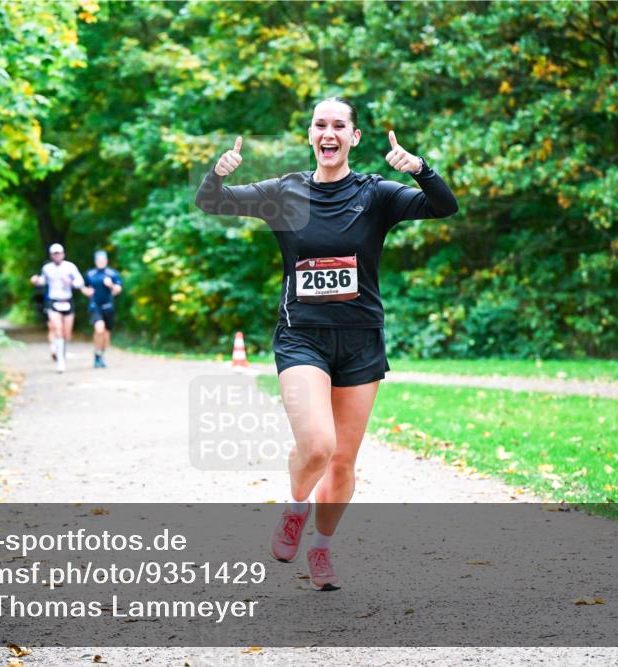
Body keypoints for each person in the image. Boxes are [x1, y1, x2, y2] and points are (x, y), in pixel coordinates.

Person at [194, 98, 458, 591]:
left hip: (360, 340)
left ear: (354, 138)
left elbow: (444, 206)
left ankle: (321, 548)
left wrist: (420, 169)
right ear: (311, 135)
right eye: (321, 125)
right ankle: (296, 509)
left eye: (340, 125)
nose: (329, 132)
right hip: (302, 338)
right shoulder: (284, 191)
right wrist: (217, 173)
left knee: (342, 462)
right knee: (318, 445)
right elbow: (213, 202)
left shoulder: (375, 193)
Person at [30, 243, 85, 373]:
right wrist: (36, 280)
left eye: (59, 253)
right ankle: (60, 361)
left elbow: (80, 282)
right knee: (57, 329)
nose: (57, 256)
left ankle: (62, 352)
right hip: (53, 301)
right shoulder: (47, 268)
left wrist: (70, 282)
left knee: (67, 333)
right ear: (51, 255)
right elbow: (43, 281)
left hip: (67, 301)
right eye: (55, 254)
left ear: (63, 254)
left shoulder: (70, 267)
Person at [81, 250, 123, 368]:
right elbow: (83, 287)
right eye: (99, 260)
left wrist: (111, 285)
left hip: (108, 306)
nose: (101, 262)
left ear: (106, 261)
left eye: (103, 260)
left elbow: (118, 290)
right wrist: (87, 291)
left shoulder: (112, 274)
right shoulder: (90, 274)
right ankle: (97, 355)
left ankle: (101, 354)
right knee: (99, 329)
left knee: (106, 335)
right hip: (95, 306)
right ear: (95, 261)